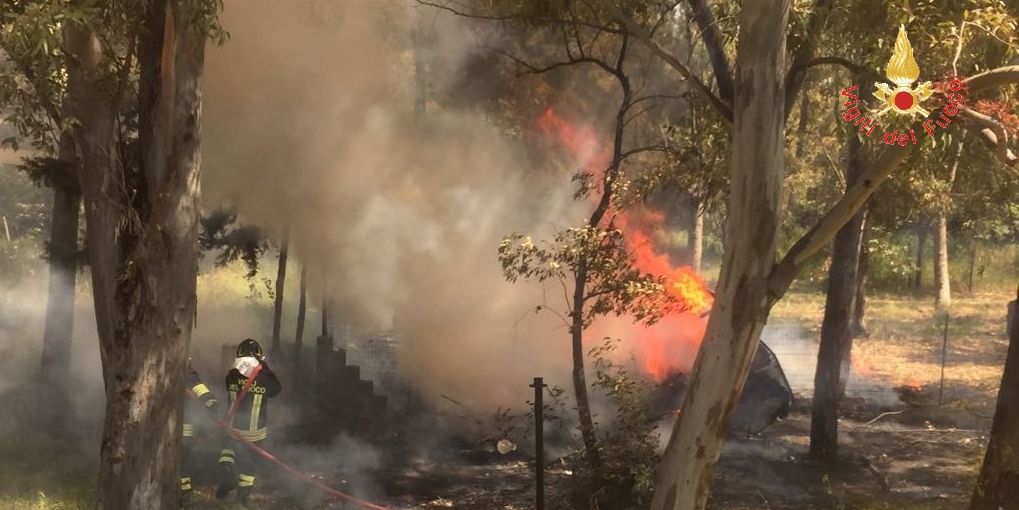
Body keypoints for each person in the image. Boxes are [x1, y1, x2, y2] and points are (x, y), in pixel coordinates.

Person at [216, 338, 282, 502]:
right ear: (259, 356)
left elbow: (228, 386)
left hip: (233, 429)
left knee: (228, 449)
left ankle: (227, 470)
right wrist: (264, 367)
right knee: (250, 465)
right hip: (255, 433)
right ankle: (242, 498)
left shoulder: (231, 375)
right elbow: (276, 390)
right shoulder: (265, 376)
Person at [182, 357, 219, 508]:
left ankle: (184, 493)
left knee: (183, 459)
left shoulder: (186, 372)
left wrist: (209, 400)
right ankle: (183, 492)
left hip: (182, 424)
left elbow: (197, 386)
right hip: (164, 425)